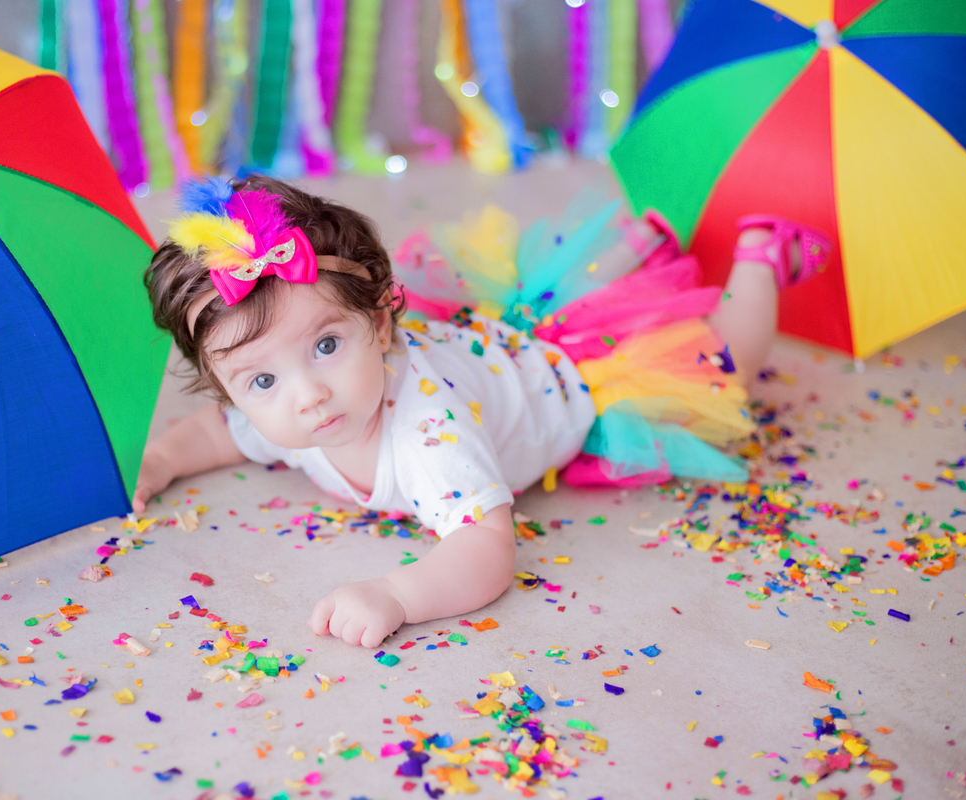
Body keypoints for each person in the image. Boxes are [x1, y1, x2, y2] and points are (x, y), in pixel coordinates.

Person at [134, 173, 830, 648]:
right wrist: (162, 459)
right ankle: (656, 257)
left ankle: (760, 257)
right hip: (486, 350)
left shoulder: (430, 436)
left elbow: (485, 550)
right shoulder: (292, 417)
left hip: (571, 379)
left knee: (721, 363)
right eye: (260, 383)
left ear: (380, 325)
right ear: (231, 390)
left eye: (324, 344)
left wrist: (397, 594)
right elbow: (217, 437)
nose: (306, 394)